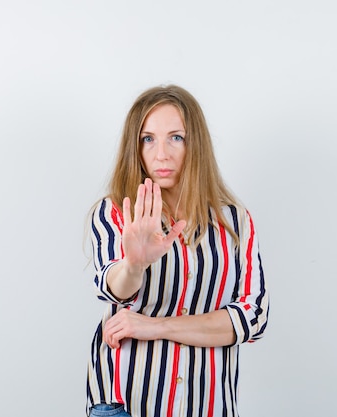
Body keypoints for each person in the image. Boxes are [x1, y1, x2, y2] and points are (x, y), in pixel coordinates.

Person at [85, 85, 269, 417]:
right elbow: (114, 287)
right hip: (126, 403)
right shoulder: (115, 211)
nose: (161, 154)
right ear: (135, 146)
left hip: (208, 406)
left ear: (194, 143)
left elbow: (252, 318)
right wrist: (134, 265)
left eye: (176, 138)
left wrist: (155, 326)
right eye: (148, 139)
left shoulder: (235, 222)